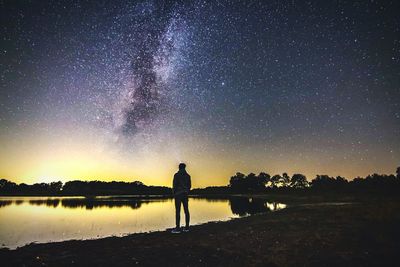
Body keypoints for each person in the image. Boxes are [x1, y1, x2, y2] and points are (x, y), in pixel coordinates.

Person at [171, 163, 191, 233]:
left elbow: (174, 185)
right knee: (186, 211)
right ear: (184, 168)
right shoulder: (188, 176)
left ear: (179, 167)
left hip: (178, 194)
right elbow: (189, 186)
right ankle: (187, 227)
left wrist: (174, 193)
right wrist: (187, 192)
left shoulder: (177, 175)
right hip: (185, 194)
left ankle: (177, 228)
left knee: (178, 211)